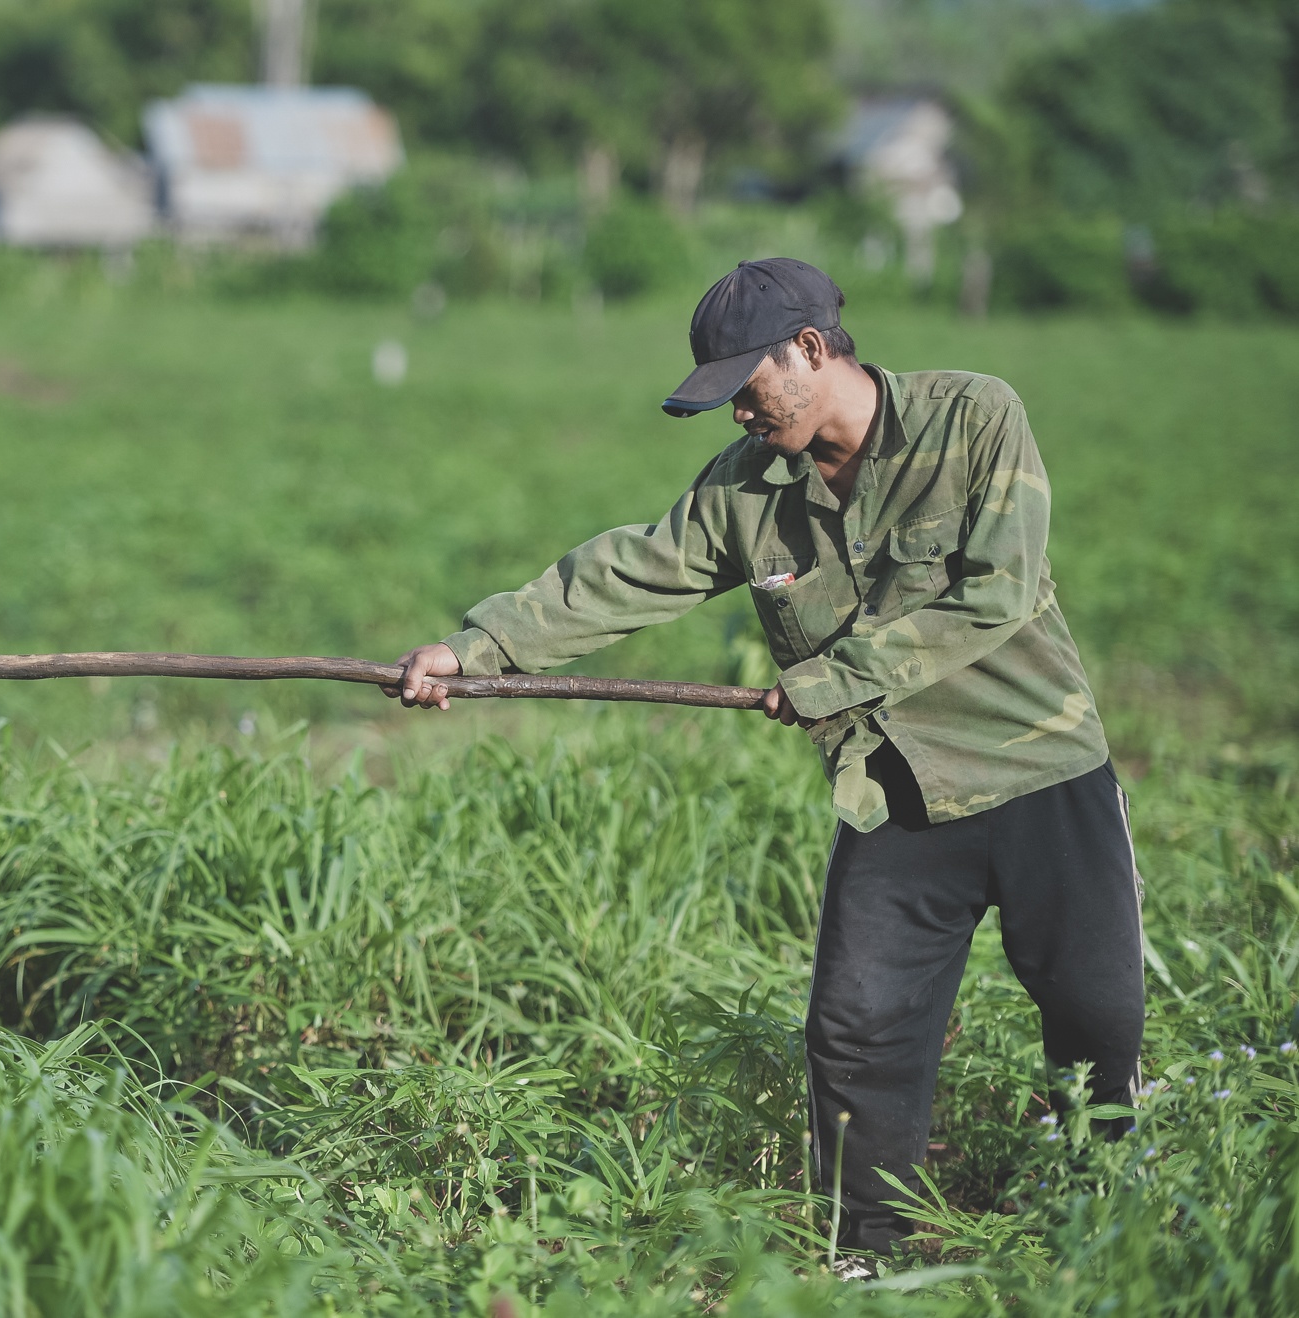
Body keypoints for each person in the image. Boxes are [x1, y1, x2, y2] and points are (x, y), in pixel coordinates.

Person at [387, 257, 1144, 1264]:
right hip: (898, 789)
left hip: (1042, 771)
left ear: (815, 349)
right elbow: (625, 572)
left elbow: (996, 593)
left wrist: (832, 678)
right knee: (858, 1030)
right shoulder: (747, 493)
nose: (739, 412)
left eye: (749, 385)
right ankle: (866, 1253)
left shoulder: (974, 419)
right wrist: (474, 650)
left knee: (1096, 1013)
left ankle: (1107, 1223)